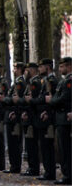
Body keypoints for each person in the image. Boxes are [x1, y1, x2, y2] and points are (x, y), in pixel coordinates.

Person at [47, 57, 71, 185]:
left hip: (65, 118)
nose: (60, 69)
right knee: (62, 148)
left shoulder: (69, 80)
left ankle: (68, 175)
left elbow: (63, 97)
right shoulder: (63, 81)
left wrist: (51, 101)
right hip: (60, 118)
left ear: (68, 67)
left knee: (66, 148)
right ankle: (66, 173)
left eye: (62, 67)